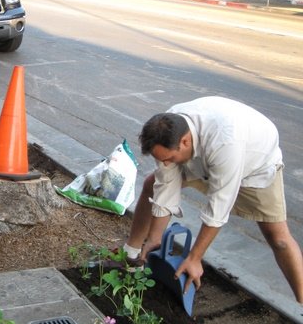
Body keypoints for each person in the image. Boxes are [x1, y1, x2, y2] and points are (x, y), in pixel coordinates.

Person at [122, 96, 303, 304]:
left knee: (278, 238)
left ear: (185, 141)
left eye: (169, 158)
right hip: (201, 159)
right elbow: (165, 186)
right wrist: (155, 236)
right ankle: (131, 255)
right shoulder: (169, 127)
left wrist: (195, 257)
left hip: (254, 167)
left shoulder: (226, 142)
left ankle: (302, 303)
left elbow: (219, 206)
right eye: (160, 158)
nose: (165, 163)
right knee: (150, 185)